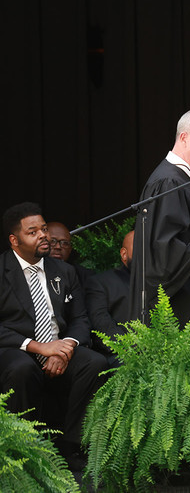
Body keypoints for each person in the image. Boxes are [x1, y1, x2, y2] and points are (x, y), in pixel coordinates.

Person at [0, 202, 107, 471]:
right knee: (21, 368)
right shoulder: (2, 271)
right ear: (15, 240)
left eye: (44, 229)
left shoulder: (64, 271)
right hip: (18, 348)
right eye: (32, 232)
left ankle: (70, 446)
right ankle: (21, 448)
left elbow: (80, 319)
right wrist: (40, 348)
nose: (44, 236)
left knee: (95, 363)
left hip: (59, 346)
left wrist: (65, 349)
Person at [129, 108, 190, 326]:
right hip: (178, 305)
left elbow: (182, 231)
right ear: (184, 137)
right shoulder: (169, 181)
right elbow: (162, 244)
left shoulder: (181, 178)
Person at [85, 230, 135, 366]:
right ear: (124, 254)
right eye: (140, 248)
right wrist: (131, 349)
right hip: (119, 354)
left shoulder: (163, 282)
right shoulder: (101, 283)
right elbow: (101, 322)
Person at [46, 221, 95, 286]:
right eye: (52, 241)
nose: (58, 247)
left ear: (70, 249)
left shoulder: (83, 276)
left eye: (65, 243)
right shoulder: (31, 272)